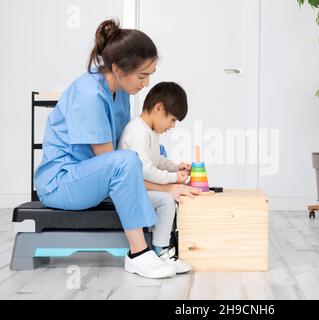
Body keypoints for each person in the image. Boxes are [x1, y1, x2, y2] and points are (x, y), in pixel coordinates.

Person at [33, 19, 198, 279]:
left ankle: (161, 250)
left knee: (152, 163)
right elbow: (117, 164)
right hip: (62, 183)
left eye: (150, 75)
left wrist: (166, 173)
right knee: (127, 163)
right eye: (142, 75)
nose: (146, 84)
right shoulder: (89, 93)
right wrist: (167, 185)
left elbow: (128, 147)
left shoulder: (120, 92)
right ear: (117, 68)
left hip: (92, 180)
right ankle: (138, 254)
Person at [119, 81, 197, 275]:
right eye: (171, 120)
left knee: (168, 199)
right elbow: (146, 170)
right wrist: (173, 177)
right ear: (158, 108)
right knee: (166, 201)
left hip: (141, 186)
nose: (172, 126)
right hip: (130, 191)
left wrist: (175, 167)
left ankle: (163, 250)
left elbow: (157, 161)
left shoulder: (150, 132)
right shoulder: (138, 131)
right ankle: (161, 250)